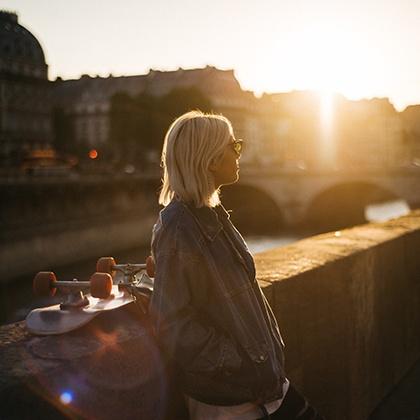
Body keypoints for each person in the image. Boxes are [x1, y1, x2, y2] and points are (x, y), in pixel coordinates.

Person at [150, 110, 324, 419]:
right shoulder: (179, 227)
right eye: (234, 146)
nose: (240, 151)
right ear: (211, 160)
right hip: (228, 396)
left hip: (260, 384)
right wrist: (239, 361)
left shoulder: (212, 215)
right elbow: (172, 322)